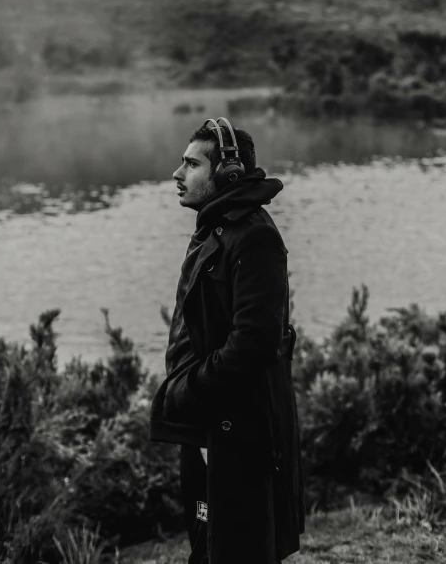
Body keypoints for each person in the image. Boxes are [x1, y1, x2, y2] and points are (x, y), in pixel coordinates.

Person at [149, 117, 304, 564]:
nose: (177, 175)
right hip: (208, 425)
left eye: (192, 164)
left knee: (238, 551)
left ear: (227, 173)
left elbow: (253, 344)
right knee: (209, 546)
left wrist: (186, 391)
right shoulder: (216, 226)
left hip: (237, 433)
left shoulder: (255, 237)